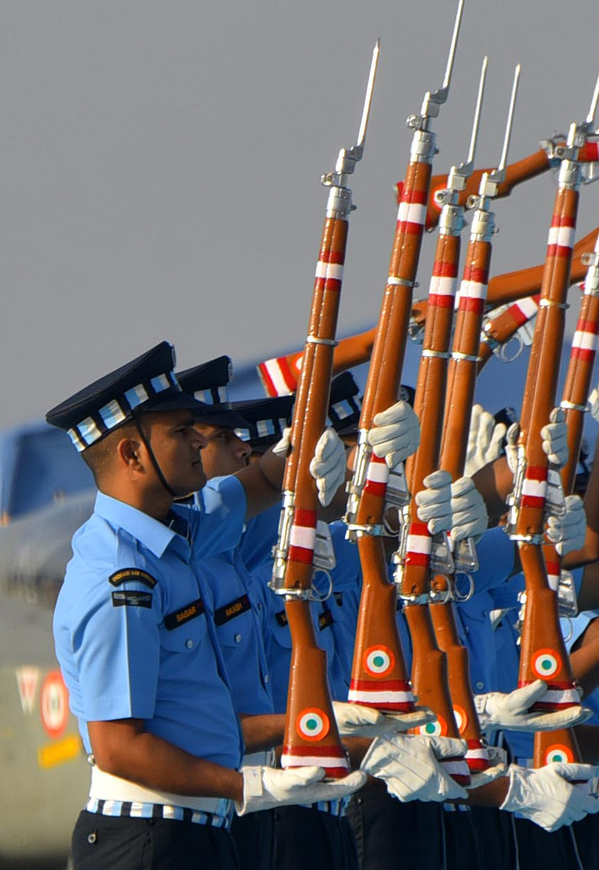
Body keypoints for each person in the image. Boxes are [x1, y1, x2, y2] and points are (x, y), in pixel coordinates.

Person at [47, 342, 366, 870]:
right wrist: (249, 785)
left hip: (196, 830)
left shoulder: (184, 534)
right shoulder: (121, 577)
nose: (199, 441)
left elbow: (265, 480)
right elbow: (119, 748)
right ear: (130, 455)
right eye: (180, 432)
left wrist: (318, 452)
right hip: (148, 836)